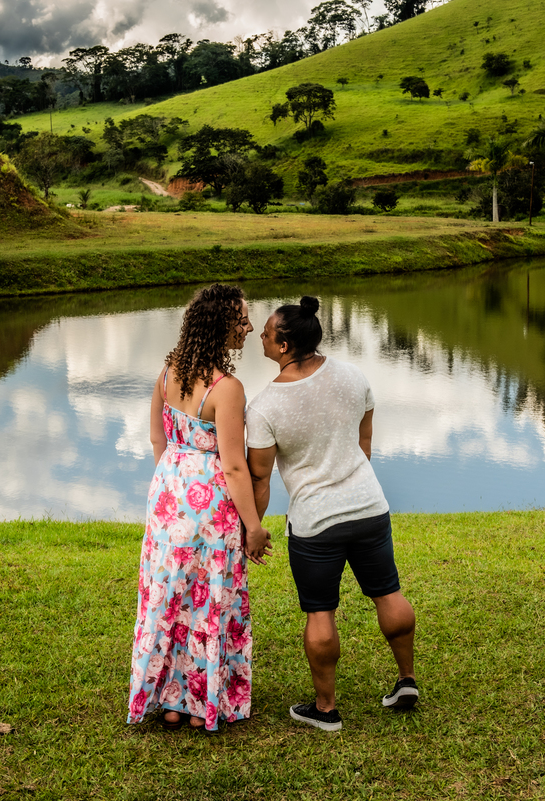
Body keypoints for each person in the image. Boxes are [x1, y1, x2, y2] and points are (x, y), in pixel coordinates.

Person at [246, 295, 417, 732]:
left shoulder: (263, 407)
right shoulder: (353, 375)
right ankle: (407, 680)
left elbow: (260, 479)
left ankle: (326, 710)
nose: (260, 336)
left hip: (315, 523)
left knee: (320, 612)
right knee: (388, 593)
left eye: (266, 333)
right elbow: (364, 442)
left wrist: (253, 526)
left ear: (284, 345)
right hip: (369, 507)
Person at [127, 283, 272, 733]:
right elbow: (233, 465)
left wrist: (173, 484)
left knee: (170, 596)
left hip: (168, 495)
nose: (249, 328)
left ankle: (170, 699)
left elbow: (158, 439)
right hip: (211, 506)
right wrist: (253, 526)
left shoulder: (167, 374)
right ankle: (199, 702)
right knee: (207, 597)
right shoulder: (227, 389)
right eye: (242, 320)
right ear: (221, 326)